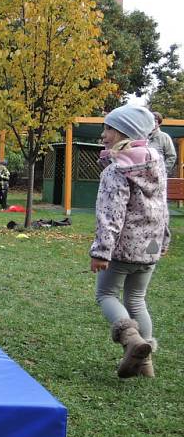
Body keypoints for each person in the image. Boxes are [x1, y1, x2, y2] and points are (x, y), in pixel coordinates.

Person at [90, 105, 170, 379]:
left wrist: (102, 251)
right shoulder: (155, 163)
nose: (103, 135)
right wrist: (164, 238)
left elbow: (110, 215)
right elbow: (162, 206)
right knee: (137, 299)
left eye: (109, 128)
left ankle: (132, 341)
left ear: (125, 132)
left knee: (106, 295)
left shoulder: (116, 171)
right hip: (150, 248)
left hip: (122, 249)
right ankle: (145, 365)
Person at [147, 111, 177, 175]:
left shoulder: (165, 137)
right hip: (142, 176)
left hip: (159, 176)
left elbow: (171, 156)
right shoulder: (141, 136)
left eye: (155, 121)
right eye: (150, 120)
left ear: (159, 123)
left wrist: (162, 171)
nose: (152, 123)